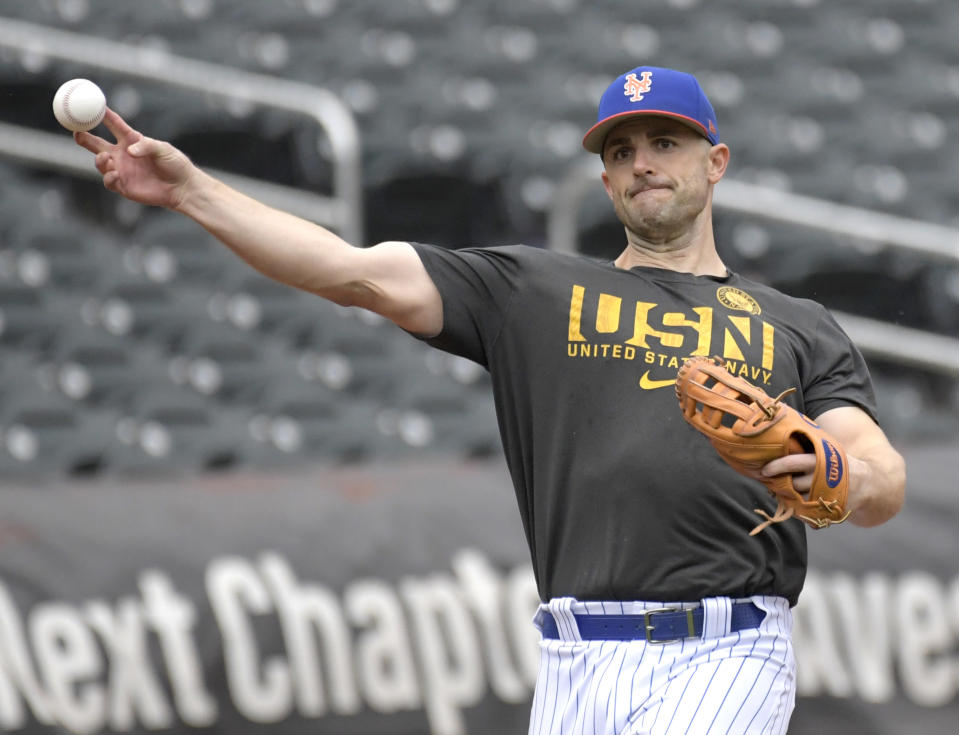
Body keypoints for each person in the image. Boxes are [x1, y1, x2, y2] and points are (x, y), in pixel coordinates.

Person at [75, 65, 905, 734]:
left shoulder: (794, 324)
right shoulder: (532, 289)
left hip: (723, 652)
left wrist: (832, 468)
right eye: (620, 151)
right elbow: (347, 270)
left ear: (714, 161)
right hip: (574, 662)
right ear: (606, 175)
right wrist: (190, 191)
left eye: (665, 142)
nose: (642, 162)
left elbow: (879, 477)